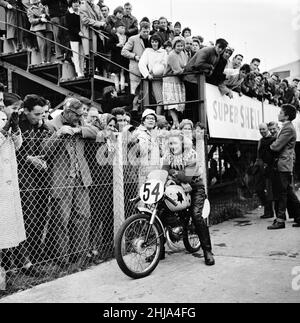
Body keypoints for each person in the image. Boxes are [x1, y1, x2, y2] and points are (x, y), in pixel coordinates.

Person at [42, 98, 99, 269]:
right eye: (76, 116)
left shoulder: (80, 123)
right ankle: (62, 258)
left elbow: (97, 132)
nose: (79, 118)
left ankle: (79, 256)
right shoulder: (51, 124)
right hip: (61, 179)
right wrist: (58, 134)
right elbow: (44, 150)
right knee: (62, 220)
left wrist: (78, 130)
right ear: (66, 112)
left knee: (83, 217)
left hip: (81, 178)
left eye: (81, 115)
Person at [162, 130, 215, 266]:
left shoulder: (191, 154)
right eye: (170, 144)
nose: (172, 146)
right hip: (179, 187)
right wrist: (174, 178)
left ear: (182, 143)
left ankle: (207, 251)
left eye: (174, 143)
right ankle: (159, 250)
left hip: (196, 188)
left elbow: (188, 176)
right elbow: (163, 171)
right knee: (162, 210)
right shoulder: (168, 155)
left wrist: (172, 173)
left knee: (196, 215)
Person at [15, 95, 50, 271]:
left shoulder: (42, 126)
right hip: (23, 176)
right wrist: (29, 159)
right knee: (28, 216)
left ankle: (37, 253)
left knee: (41, 215)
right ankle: (24, 260)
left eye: (43, 114)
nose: (40, 117)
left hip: (41, 176)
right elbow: (10, 150)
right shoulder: (18, 124)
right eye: (36, 114)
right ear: (26, 111)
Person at [0, 105, 26, 293]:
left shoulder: (3, 115)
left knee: (7, 231)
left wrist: (15, 129)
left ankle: (4, 276)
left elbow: (17, 145)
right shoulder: (4, 119)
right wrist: (5, 127)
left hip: (8, 183)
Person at [267, 104, 300, 229]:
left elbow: (276, 146)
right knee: (288, 192)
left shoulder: (288, 129)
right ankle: (298, 217)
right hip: (285, 164)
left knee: (281, 193)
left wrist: (270, 146)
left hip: (283, 164)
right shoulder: (286, 127)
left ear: (286, 115)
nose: (278, 114)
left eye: (281, 112)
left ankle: (280, 220)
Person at [121, 21, 151, 113]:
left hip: (148, 69)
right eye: (144, 31)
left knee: (146, 90)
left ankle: (144, 109)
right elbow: (124, 51)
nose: (146, 34)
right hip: (136, 69)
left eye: (147, 31)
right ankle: (134, 109)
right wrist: (134, 56)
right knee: (135, 91)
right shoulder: (133, 39)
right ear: (140, 30)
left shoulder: (151, 39)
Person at [138, 34, 168, 115]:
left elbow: (165, 64)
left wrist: (156, 71)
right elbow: (142, 64)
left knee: (167, 101)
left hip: (164, 78)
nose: (154, 44)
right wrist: (147, 75)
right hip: (154, 79)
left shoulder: (164, 52)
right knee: (160, 101)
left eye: (156, 42)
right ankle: (158, 119)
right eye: (152, 42)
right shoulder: (148, 51)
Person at [163, 37, 188, 128]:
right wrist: (186, 70)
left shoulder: (183, 53)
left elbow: (185, 65)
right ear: (174, 46)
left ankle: (176, 123)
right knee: (172, 103)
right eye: (178, 46)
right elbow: (177, 70)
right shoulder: (172, 55)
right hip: (170, 81)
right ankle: (175, 121)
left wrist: (185, 69)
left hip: (179, 80)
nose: (180, 48)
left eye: (181, 46)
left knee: (179, 103)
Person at [253, 123, 276, 219]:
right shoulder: (261, 140)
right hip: (260, 167)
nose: (262, 131)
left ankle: (269, 211)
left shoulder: (273, 139)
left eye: (263, 129)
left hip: (269, 168)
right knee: (258, 189)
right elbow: (259, 154)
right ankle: (267, 208)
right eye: (260, 129)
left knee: (269, 190)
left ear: (267, 129)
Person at [27, 0, 53, 64]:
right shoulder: (30, 9)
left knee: (48, 44)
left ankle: (48, 60)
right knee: (42, 44)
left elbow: (50, 15)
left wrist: (45, 14)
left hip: (48, 26)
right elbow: (31, 20)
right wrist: (40, 19)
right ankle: (43, 60)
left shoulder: (45, 6)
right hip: (38, 28)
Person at [66, 0, 84, 78]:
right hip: (73, 36)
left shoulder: (81, 12)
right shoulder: (68, 13)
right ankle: (78, 72)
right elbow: (70, 26)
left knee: (82, 56)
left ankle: (82, 71)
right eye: (74, 2)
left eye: (77, 2)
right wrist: (78, 32)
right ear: (71, 4)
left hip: (81, 37)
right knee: (76, 55)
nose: (76, 4)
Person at [109, 20, 128, 93]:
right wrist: (116, 45)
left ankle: (122, 88)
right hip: (116, 57)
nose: (123, 29)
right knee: (116, 73)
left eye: (124, 28)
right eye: (121, 27)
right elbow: (109, 45)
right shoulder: (113, 36)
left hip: (123, 57)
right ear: (117, 28)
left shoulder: (126, 37)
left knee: (122, 72)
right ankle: (117, 88)